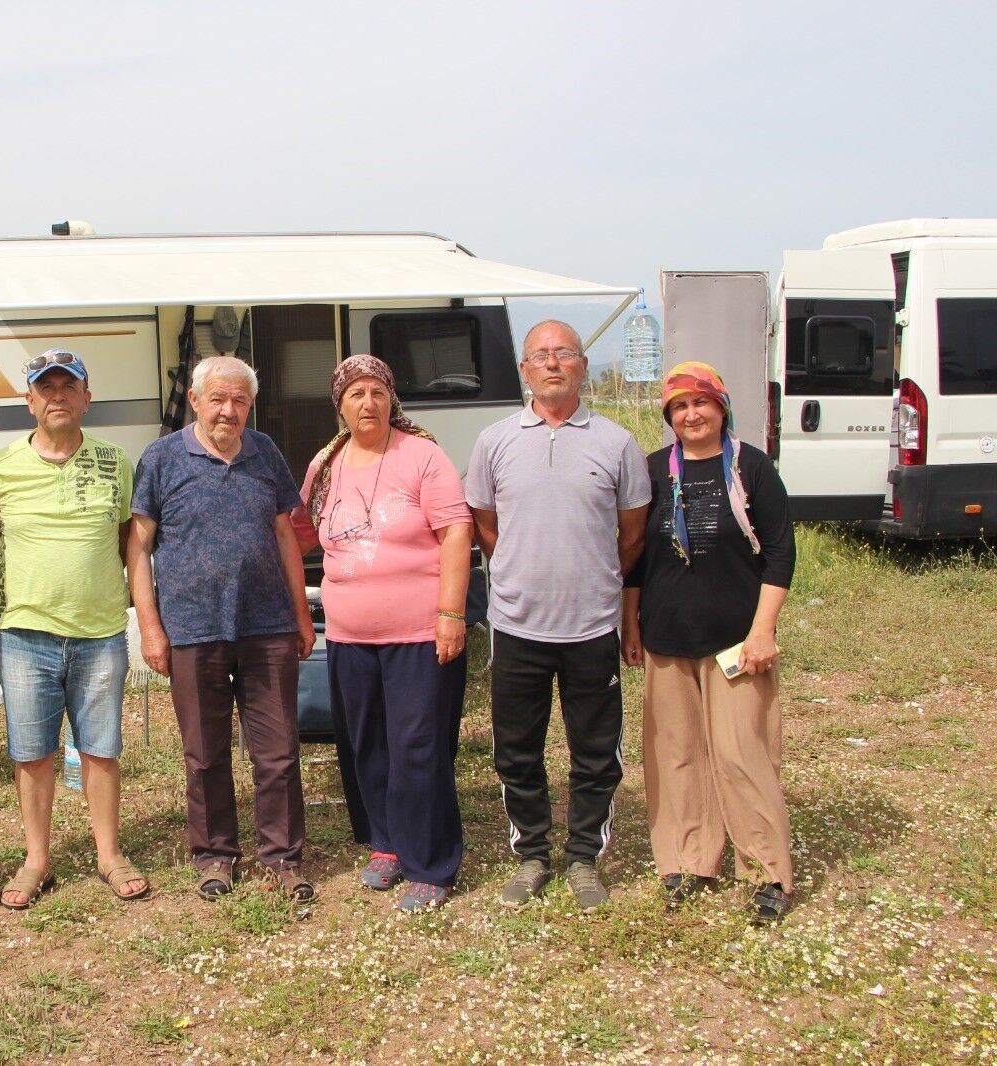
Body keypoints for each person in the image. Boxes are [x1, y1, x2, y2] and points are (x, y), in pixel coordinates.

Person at [464, 320, 650, 910]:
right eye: (540, 355)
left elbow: (632, 535)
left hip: (591, 624)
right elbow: (485, 525)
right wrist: (521, 568)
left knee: (595, 752)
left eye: (564, 353)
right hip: (516, 624)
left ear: (582, 367)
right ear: (524, 370)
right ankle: (532, 855)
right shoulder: (494, 442)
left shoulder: (617, 444)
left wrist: (592, 575)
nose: (552, 364)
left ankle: (585, 857)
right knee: (517, 750)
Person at [127, 355, 318, 902]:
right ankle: (215, 855)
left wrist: (301, 614)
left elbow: (284, 535)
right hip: (191, 629)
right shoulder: (162, 458)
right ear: (194, 400)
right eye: (217, 399)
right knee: (205, 753)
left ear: (250, 405)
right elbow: (138, 547)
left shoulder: (265, 452)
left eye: (239, 401)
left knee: (278, 751)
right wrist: (151, 627)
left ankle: (282, 858)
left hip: (267, 627)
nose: (228, 411)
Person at [292, 355, 473, 911]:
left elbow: (456, 531)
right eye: (355, 394)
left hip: (419, 632)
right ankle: (387, 843)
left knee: (418, 746)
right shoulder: (326, 464)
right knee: (366, 743)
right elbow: (298, 533)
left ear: (391, 399)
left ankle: (430, 863)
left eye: (377, 392)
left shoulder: (422, 455)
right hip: (350, 634)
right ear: (339, 405)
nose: (367, 403)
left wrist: (451, 614)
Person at [621, 361, 797, 924]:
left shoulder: (751, 467)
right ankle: (686, 861)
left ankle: (767, 871)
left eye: (701, 403)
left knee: (741, 753)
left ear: (721, 407)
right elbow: (635, 558)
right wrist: (631, 624)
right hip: (667, 638)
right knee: (674, 755)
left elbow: (780, 553)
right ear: (668, 416)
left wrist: (763, 630)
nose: (691, 414)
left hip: (736, 643)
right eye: (679, 406)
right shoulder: (653, 471)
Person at [0, 349, 150, 909]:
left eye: (68, 387)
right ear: (29, 401)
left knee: (101, 748)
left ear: (86, 398)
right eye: (45, 388)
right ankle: (36, 860)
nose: (57, 396)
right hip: (24, 634)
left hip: (100, 633)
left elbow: (127, 540)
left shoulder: (115, 462)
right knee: (31, 753)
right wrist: (24, 592)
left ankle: (109, 854)